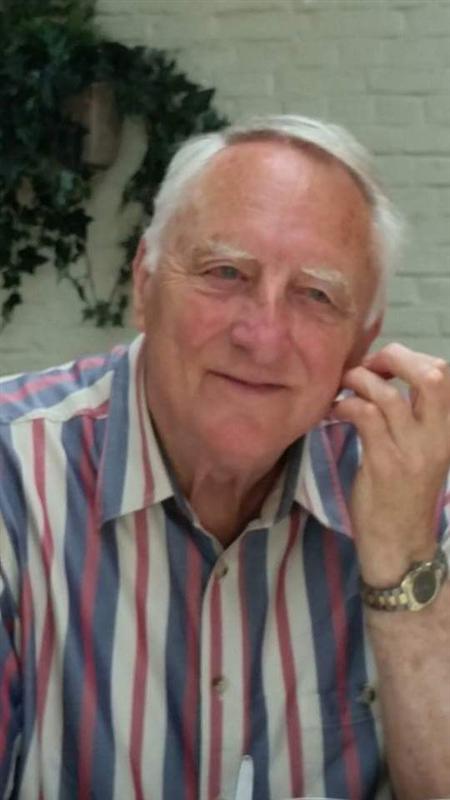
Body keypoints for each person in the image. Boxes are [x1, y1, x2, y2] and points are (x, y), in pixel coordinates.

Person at [0, 115, 449, 800]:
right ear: (144, 284)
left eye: (316, 295)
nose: (262, 336)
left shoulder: (415, 488)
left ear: (361, 344)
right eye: (226, 273)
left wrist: (403, 566)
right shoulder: (14, 472)